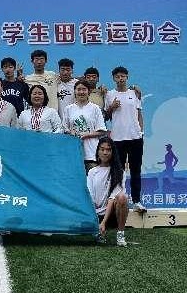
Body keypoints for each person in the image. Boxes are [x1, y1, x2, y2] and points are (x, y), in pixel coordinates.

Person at [105, 66, 146, 213]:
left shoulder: (134, 93)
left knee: (135, 170)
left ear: (127, 77)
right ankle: (119, 200)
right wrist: (112, 107)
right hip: (117, 139)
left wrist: (141, 131)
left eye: (123, 76)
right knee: (119, 171)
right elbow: (106, 117)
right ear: (113, 79)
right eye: (117, 76)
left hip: (135, 138)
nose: (120, 79)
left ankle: (136, 201)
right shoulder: (109, 94)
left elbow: (139, 114)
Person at [87, 136, 128, 247]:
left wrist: (104, 222)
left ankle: (120, 234)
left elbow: (112, 198)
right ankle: (97, 231)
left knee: (122, 197)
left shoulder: (120, 172)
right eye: (102, 149)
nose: (105, 152)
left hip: (111, 215)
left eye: (108, 150)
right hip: (95, 215)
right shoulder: (92, 172)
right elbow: (90, 196)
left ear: (112, 152)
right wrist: (95, 219)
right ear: (98, 151)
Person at [62, 80, 107, 171]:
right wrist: (70, 133)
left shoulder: (95, 108)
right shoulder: (68, 109)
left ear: (88, 91)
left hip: (92, 152)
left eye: (84, 89)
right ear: (75, 91)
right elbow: (64, 129)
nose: (81, 92)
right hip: (74, 152)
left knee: (93, 178)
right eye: (79, 89)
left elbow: (102, 131)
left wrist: (86, 135)